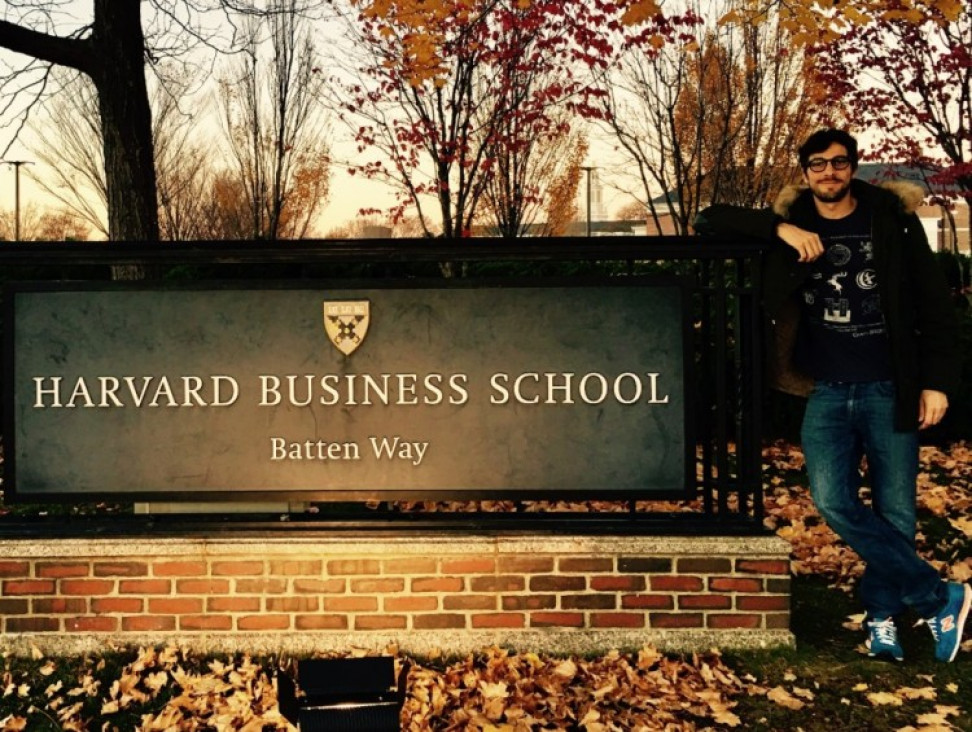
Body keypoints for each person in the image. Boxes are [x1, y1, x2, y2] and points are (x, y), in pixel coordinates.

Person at [694, 128, 969, 663]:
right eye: (817, 164)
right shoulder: (792, 222)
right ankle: (940, 598)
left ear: (853, 168)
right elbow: (708, 218)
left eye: (839, 163)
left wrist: (936, 382)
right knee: (832, 501)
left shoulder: (891, 220)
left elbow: (934, 304)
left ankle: (882, 617)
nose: (828, 173)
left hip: (890, 386)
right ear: (805, 172)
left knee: (896, 512)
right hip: (828, 390)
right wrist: (781, 229)